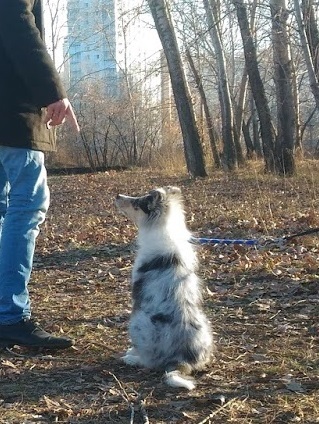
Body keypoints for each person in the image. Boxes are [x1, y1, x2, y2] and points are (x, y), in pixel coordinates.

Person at [0, 0, 80, 349]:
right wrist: (52, 91)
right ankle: (10, 315)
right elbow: (17, 23)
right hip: (12, 114)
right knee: (26, 206)